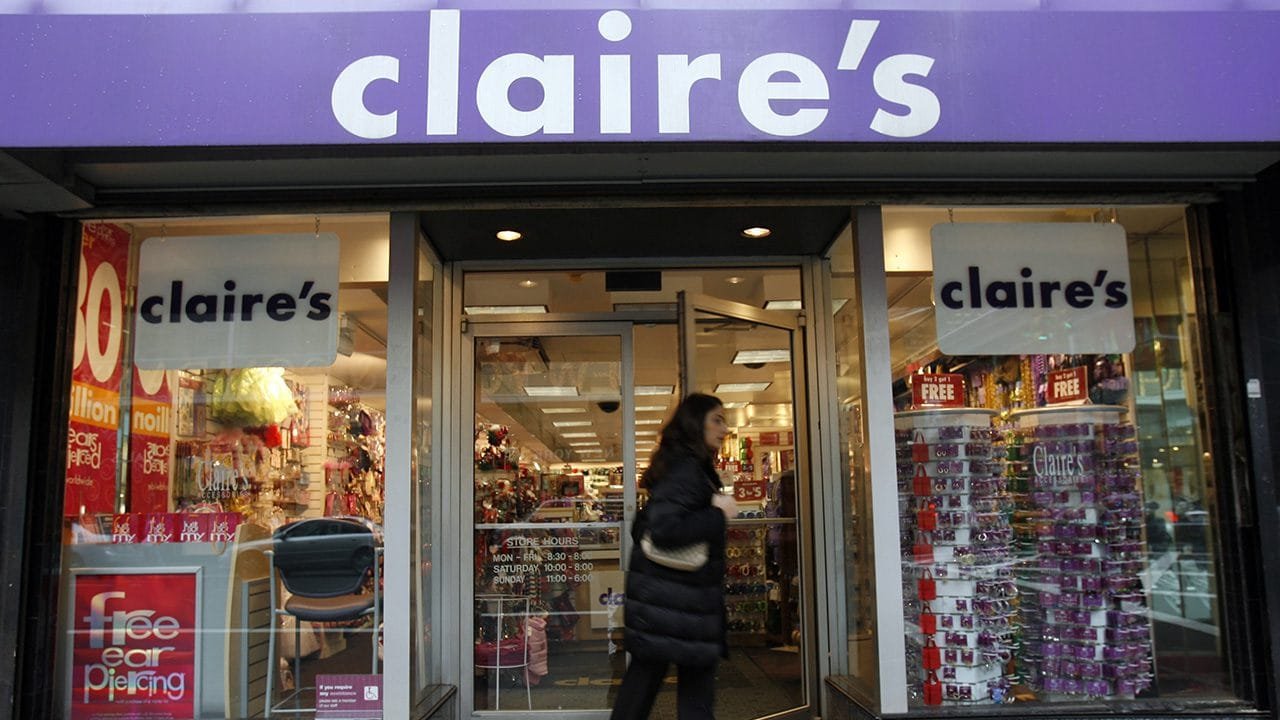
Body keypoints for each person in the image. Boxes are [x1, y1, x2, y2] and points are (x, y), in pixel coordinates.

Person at [611, 393, 738, 720]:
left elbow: (645, 526)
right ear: (696, 423)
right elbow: (665, 529)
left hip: (669, 604)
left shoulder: (682, 465)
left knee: (642, 688)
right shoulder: (687, 469)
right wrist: (718, 514)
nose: (724, 429)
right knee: (691, 697)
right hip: (680, 608)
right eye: (717, 420)